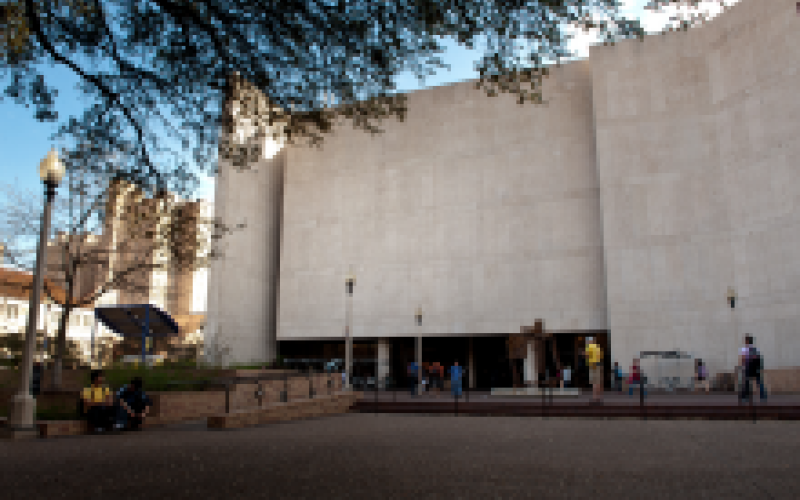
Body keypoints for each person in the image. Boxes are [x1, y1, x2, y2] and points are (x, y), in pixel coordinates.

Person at [739, 335, 767, 402]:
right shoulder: (756, 349)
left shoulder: (744, 349)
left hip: (749, 369)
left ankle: (745, 397)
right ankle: (762, 396)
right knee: (759, 382)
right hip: (755, 369)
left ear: (747, 341)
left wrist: (743, 367)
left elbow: (743, 360)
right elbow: (759, 359)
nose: (745, 342)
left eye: (746, 341)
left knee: (746, 382)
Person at [584, 337, 603, 404]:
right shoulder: (598, 347)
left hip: (592, 365)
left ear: (590, 341)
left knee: (594, 382)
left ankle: (594, 397)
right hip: (598, 365)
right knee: (598, 382)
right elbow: (600, 357)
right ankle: (598, 397)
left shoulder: (589, 347)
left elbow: (586, 356)